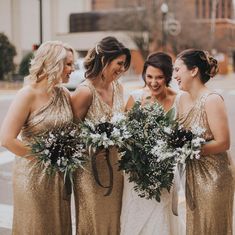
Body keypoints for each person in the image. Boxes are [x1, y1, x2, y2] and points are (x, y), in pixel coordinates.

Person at [0, 41, 75, 235]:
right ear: (53, 63)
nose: (72, 69)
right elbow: (6, 139)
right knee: (37, 226)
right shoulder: (27, 94)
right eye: (68, 64)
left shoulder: (65, 94)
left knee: (57, 225)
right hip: (32, 176)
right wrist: (46, 157)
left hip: (58, 176)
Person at [71, 36, 131, 235]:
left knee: (115, 219)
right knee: (95, 219)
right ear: (104, 59)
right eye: (119, 63)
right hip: (90, 170)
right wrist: (94, 141)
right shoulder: (85, 92)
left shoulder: (118, 88)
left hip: (116, 165)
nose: (122, 69)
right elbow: (70, 133)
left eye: (124, 65)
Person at [174, 49, 234, 235]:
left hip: (214, 176)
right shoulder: (181, 100)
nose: (174, 75)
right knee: (196, 226)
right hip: (193, 174)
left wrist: (188, 150)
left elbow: (223, 142)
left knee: (212, 226)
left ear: (193, 71)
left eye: (177, 70)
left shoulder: (212, 100)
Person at [121, 52, 180, 235]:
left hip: (164, 171)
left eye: (159, 77)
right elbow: (124, 134)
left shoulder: (178, 99)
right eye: (149, 77)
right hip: (137, 172)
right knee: (136, 215)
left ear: (168, 77)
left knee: (160, 213)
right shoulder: (136, 98)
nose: (153, 82)